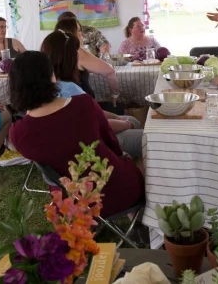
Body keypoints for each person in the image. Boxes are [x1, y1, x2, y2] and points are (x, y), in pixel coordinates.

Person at [8, 51, 144, 216]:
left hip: (71, 205)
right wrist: (123, 157)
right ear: (52, 77)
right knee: (144, 152)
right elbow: (111, 143)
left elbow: (49, 170)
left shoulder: (18, 133)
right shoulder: (83, 104)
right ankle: (138, 218)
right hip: (117, 191)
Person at [40, 30, 143, 159]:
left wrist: (116, 117)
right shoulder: (70, 89)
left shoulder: (44, 87)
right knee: (146, 137)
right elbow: (99, 126)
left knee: (133, 121)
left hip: (72, 142)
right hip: (91, 146)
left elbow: (93, 113)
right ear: (70, 59)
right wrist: (126, 124)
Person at [54, 17, 123, 112]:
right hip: (83, 106)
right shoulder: (77, 52)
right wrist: (115, 94)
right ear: (72, 33)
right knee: (120, 109)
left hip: (59, 106)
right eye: (79, 30)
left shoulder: (51, 50)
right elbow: (110, 71)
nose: (81, 34)